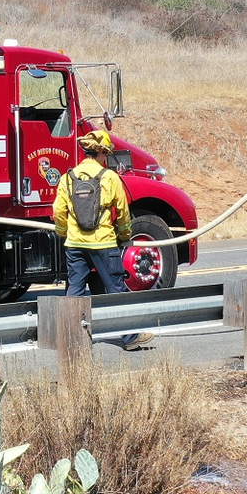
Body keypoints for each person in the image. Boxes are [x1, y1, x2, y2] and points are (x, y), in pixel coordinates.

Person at [54, 128, 155, 351]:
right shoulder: (109, 177)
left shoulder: (67, 178)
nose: (106, 158)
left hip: (75, 245)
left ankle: (70, 339)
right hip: (104, 244)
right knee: (116, 290)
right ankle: (130, 338)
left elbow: (59, 212)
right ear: (100, 153)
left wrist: (65, 232)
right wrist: (125, 235)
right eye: (106, 154)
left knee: (75, 292)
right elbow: (123, 212)